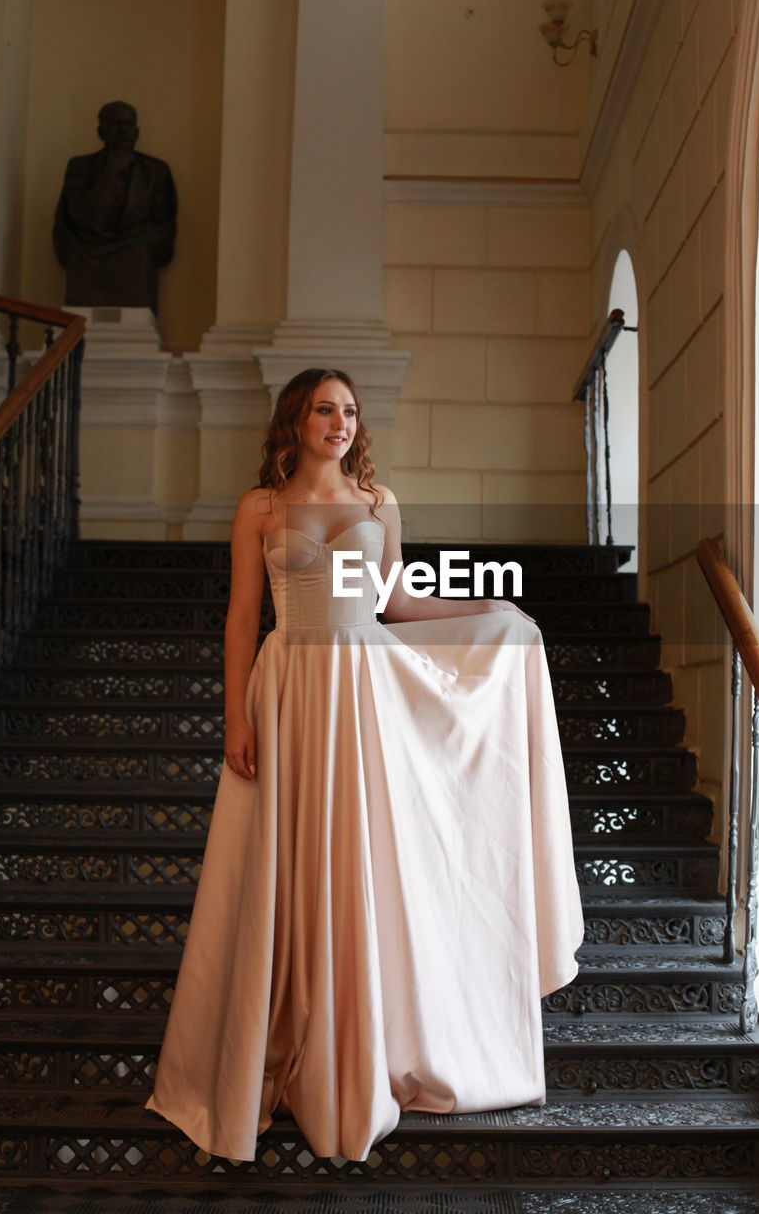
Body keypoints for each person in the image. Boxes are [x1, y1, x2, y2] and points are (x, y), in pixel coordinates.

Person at [144, 367, 584, 1163]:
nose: (339, 422)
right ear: (296, 419)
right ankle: (277, 1043)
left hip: (359, 687)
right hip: (287, 686)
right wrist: (233, 716)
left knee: (355, 861)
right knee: (285, 863)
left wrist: (491, 609)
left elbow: (397, 605)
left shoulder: (379, 505)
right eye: (324, 409)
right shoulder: (262, 508)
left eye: (349, 411)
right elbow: (243, 616)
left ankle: (359, 1046)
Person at [52, 101, 177, 312]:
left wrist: (136, 238)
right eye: (116, 124)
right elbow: (82, 218)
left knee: (136, 256)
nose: (124, 130)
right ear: (101, 131)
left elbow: (162, 224)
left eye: (129, 124)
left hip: (134, 248)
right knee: (78, 257)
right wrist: (112, 171)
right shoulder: (80, 167)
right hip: (86, 248)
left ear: (137, 131)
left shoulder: (156, 170)